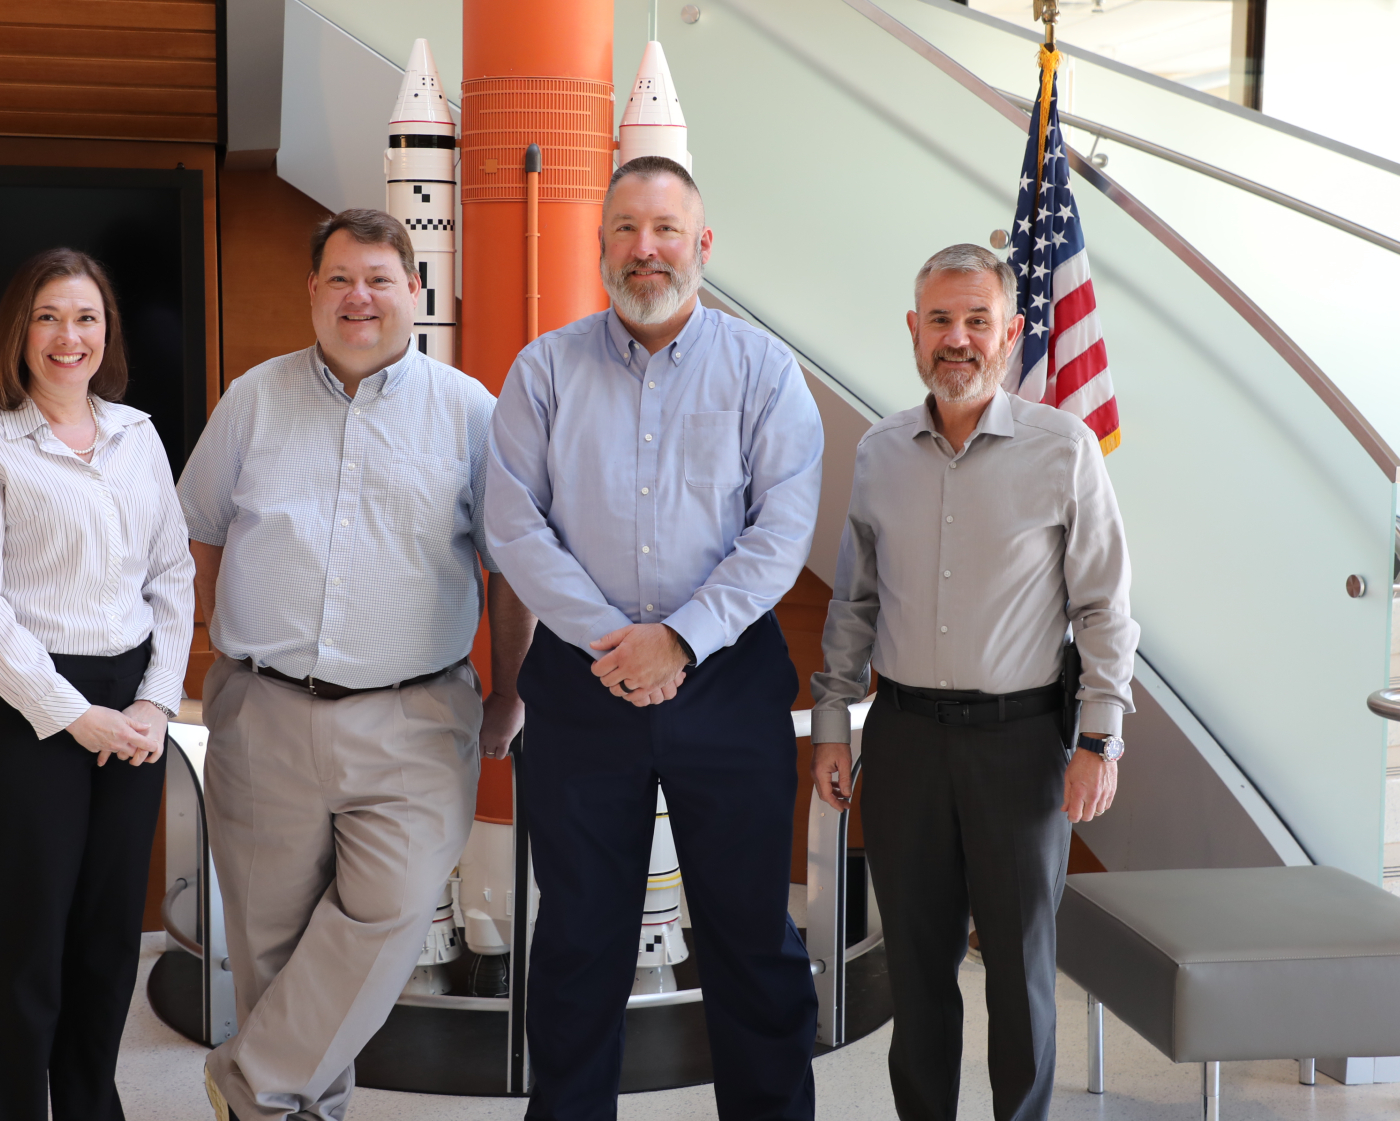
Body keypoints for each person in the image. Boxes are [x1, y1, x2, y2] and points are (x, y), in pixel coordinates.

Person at [485, 155, 825, 1121]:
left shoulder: (763, 370)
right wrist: (615, 643)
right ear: (600, 247)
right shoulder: (543, 370)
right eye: (626, 230)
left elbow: (781, 535)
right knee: (580, 941)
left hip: (728, 683)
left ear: (702, 246)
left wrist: (676, 640)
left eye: (666, 230)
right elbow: (514, 527)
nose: (646, 249)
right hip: (581, 686)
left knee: (750, 935)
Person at [180, 209, 535, 1121]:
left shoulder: (469, 412)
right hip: (263, 708)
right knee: (273, 946)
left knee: (393, 908)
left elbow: (512, 572)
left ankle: (248, 1082)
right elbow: (199, 537)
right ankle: (291, 1110)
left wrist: (507, 693)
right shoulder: (252, 399)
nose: (358, 297)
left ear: (413, 292)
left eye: (378, 278)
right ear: (312, 291)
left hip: (417, 715)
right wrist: (213, 655)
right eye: (339, 279)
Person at [811, 243, 1138, 1121]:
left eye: (978, 321)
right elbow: (854, 602)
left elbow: (1105, 606)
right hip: (907, 740)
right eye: (942, 321)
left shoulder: (1063, 449)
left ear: (1011, 333)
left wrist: (1100, 737)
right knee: (914, 969)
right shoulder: (880, 451)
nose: (958, 339)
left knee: (1021, 973)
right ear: (914, 332)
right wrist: (834, 724)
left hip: (1022, 745)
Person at [0, 247, 195, 1121]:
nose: (67, 336)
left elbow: (172, 577)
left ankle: (90, 1107)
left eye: (85, 317)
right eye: (48, 316)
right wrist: (76, 716)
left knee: (110, 941)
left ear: (107, 331)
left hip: (133, 708)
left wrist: (155, 701)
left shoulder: (138, 436)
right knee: (24, 949)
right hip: (21, 715)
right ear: (19, 330)